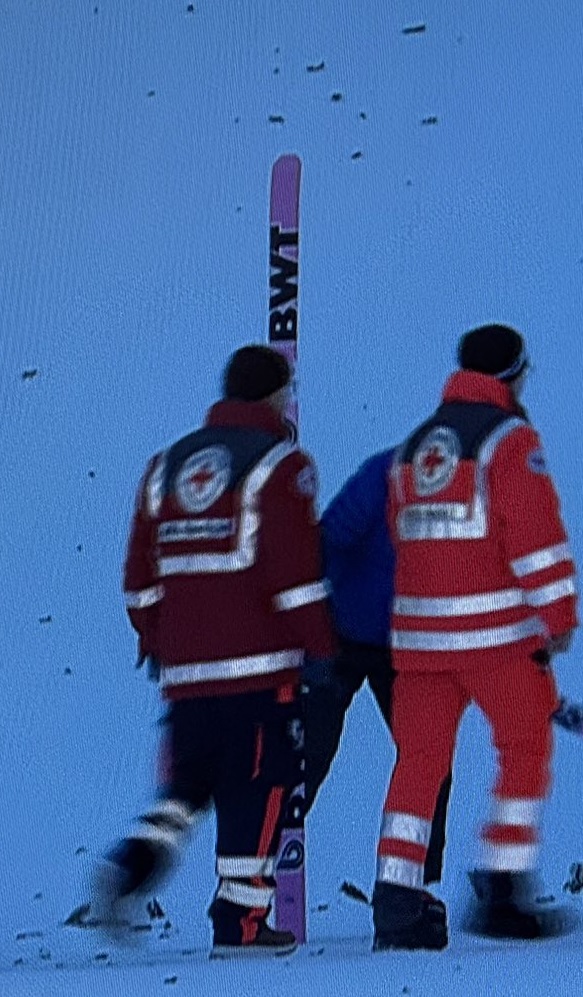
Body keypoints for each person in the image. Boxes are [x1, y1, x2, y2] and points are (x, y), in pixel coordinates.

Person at [96, 344, 334, 957]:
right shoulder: (282, 465)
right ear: (278, 392)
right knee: (259, 787)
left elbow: (139, 578)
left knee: (183, 793)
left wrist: (156, 637)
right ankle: (244, 921)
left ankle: (129, 869)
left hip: (184, 674)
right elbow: (294, 577)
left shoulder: (164, 467)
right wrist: (322, 646)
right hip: (259, 671)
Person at [371, 324, 580, 950]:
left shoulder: (414, 446)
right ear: (513, 375)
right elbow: (534, 535)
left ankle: (397, 896)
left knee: (419, 764)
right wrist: (560, 616)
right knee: (524, 748)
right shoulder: (509, 441)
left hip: (420, 641)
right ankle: (502, 883)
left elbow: (398, 531)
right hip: (495, 638)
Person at [303, 447, 451, 884]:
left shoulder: (479, 492)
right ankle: (264, 867)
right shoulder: (386, 474)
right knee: (309, 750)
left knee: (427, 756)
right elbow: (328, 537)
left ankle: (413, 881)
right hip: (341, 634)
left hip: (406, 645)